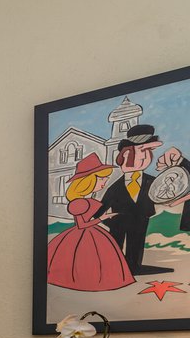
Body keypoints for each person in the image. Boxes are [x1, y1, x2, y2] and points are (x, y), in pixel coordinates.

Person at [45, 153, 133, 291]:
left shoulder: (85, 199)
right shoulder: (79, 203)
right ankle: (86, 282)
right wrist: (101, 218)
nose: (104, 183)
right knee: (84, 259)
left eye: (106, 179)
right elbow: (81, 225)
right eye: (102, 179)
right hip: (83, 234)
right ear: (89, 180)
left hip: (93, 232)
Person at [100, 124, 172, 274]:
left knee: (136, 245)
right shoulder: (115, 187)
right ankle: (116, 269)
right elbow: (98, 210)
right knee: (116, 247)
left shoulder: (152, 182)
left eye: (148, 152)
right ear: (125, 155)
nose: (145, 157)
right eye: (142, 151)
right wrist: (112, 221)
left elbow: (165, 195)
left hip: (140, 220)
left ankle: (134, 267)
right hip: (118, 224)